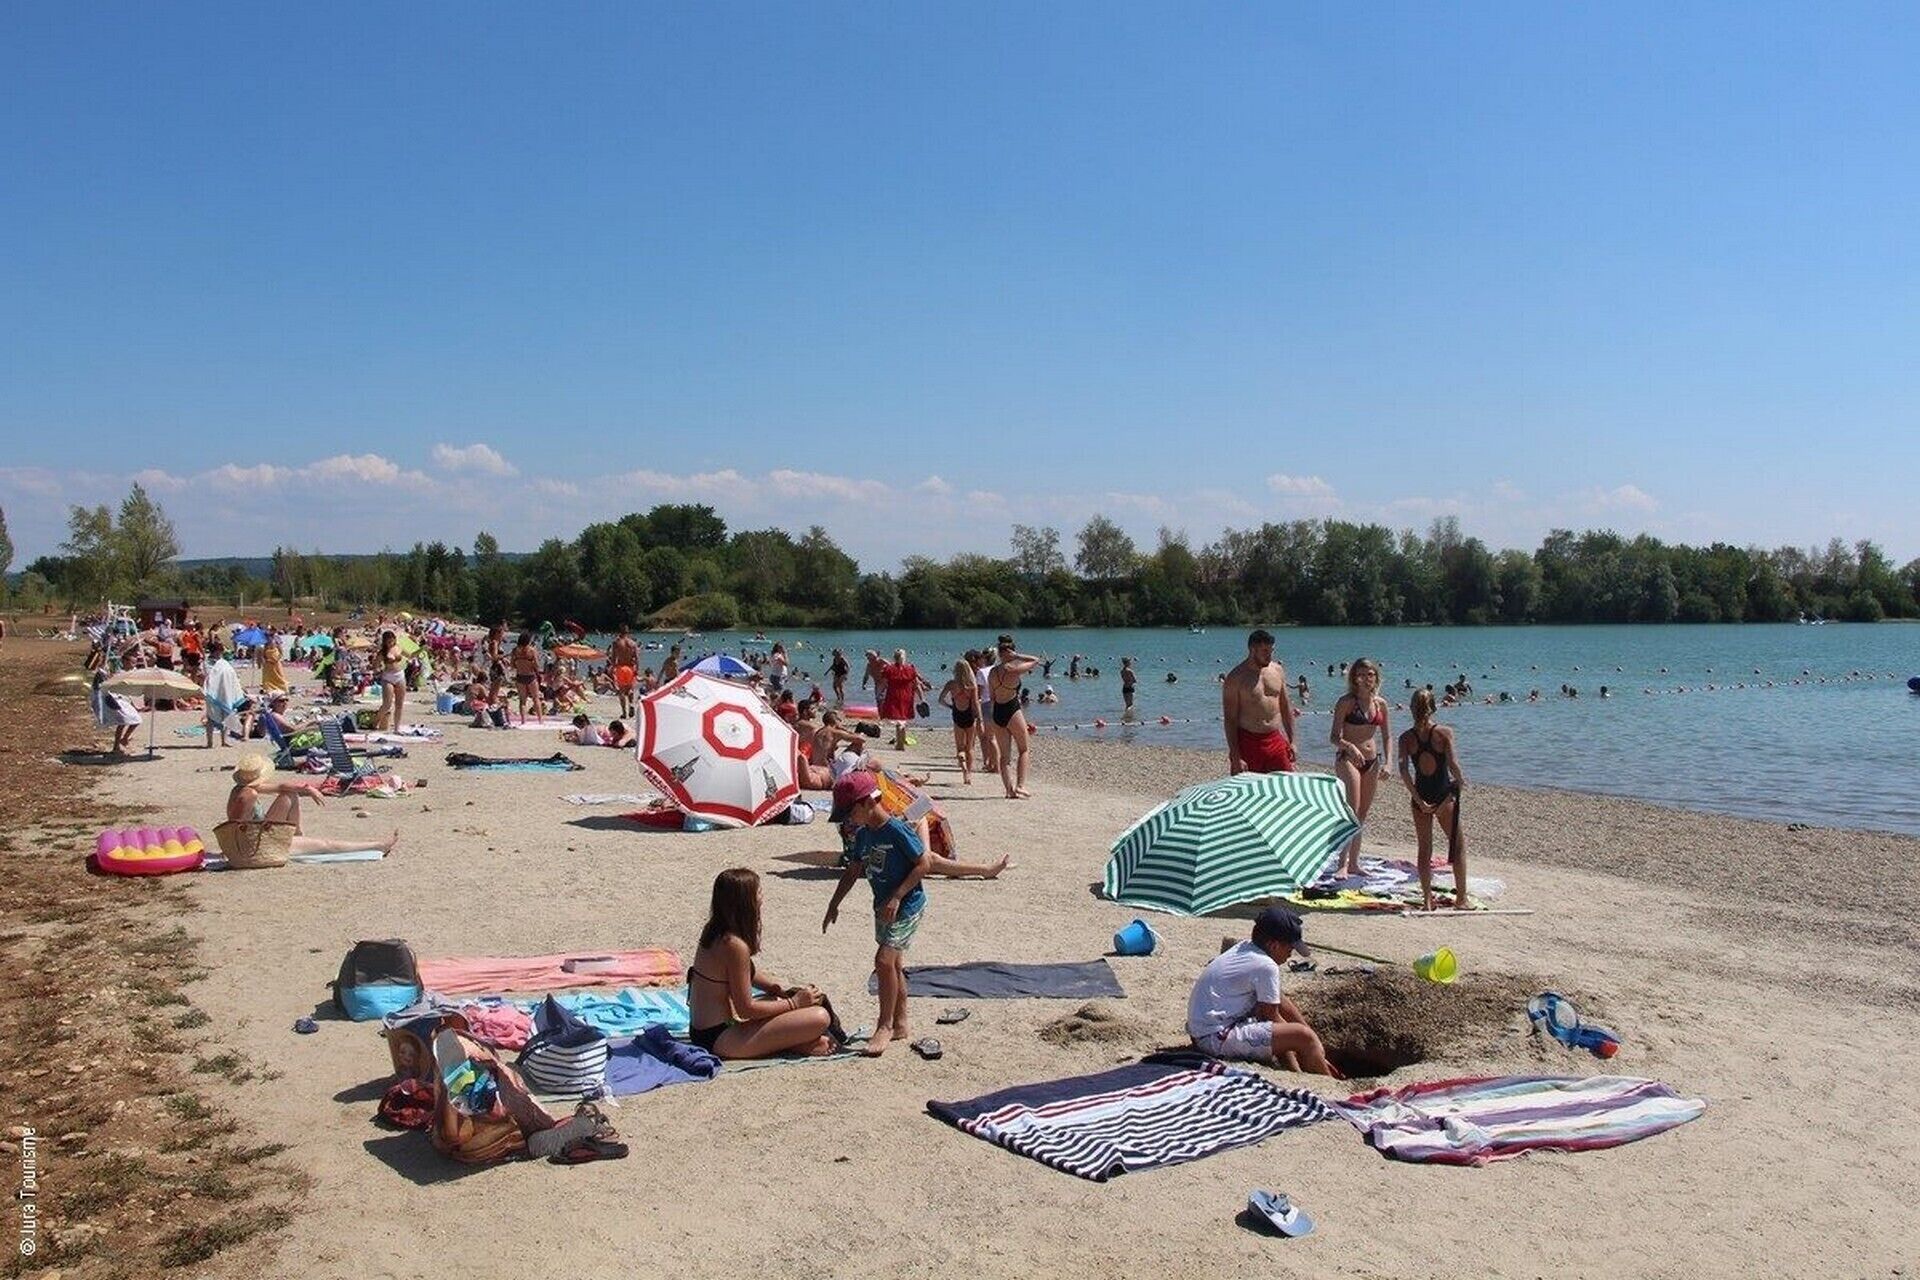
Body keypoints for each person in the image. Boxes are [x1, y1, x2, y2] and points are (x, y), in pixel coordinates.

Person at [823, 772, 929, 1057]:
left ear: (869, 802)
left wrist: (897, 895)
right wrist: (834, 903)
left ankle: (885, 1026)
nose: (848, 820)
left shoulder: (896, 830)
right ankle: (902, 1022)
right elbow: (853, 870)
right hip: (882, 906)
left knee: (883, 961)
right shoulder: (863, 835)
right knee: (893, 965)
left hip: (906, 905)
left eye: (851, 813)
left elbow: (923, 863)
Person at [688, 869, 835, 1058]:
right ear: (744, 901)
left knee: (775, 1001)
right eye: (758, 892)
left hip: (703, 1030)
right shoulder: (734, 945)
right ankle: (794, 1044)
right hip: (721, 1039)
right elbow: (746, 1009)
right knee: (820, 1017)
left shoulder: (715, 931)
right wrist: (794, 1003)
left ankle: (792, 1042)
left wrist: (779, 989)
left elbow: (746, 973)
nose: (762, 897)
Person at [1187, 906, 1335, 1076]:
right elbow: (1270, 1017)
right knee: (1304, 1037)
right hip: (1214, 1037)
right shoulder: (1266, 965)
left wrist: (1315, 1042)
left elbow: (1278, 1004)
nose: (1291, 954)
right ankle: (1326, 1079)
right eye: (1289, 948)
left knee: (1300, 1029)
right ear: (1273, 945)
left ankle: (1305, 1063)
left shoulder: (1245, 948)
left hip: (1203, 1031)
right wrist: (1306, 1044)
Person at [225, 754, 398, 856]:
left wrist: (308, 789)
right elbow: (238, 828)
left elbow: (282, 787)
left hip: (258, 840)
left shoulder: (242, 789)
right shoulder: (249, 795)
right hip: (258, 847)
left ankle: (298, 835)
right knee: (325, 845)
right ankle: (377, 846)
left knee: (289, 794)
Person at [1398, 689, 1469, 912]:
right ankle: (1461, 899)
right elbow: (1453, 765)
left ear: (1411, 709)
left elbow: (1404, 771)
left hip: (1421, 796)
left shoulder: (1406, 738)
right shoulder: (1444, 733)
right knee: (1457, 846)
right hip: (1443, 796)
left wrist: (1418, 799)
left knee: (1424, 849)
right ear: (1433, 707)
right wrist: (1460, 781)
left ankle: (1428, 900)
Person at [1330, 658, 1391, 877]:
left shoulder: (1380, 704)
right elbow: (1334, 737)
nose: (1366, 679)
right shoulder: (1346, 702)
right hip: (1348, 759)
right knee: (1352, 810)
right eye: (1361, 675)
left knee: (1362, 814)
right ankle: (1342, 863)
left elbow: (1387, 736)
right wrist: (1350, 747)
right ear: (1354, 678)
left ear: (1376, 677)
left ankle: (1354, 863)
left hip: (1372, 761)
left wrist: (1389, 762)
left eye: (1370, 675)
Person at [1222, 629, 1296, 774]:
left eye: (1272, 651)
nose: (1270, 656)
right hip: (1248, 741)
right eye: (1265, 651)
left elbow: (1286, 707)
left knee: (1286, 786)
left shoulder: (1277, 671)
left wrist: (1293, 741)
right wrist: (1235, 755)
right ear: (1252, 649)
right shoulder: (1236, 678)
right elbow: (1230, 719)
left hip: (1275, 739)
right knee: (1247, 792)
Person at [987, 635, 1040, 799]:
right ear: (1011, 652)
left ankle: (1009, 790)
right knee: (1024, 749)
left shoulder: (992, 672)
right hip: (1011, 708)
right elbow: (1035, 660)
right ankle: (1020, 786)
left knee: (1004, 756)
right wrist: (1017, 656)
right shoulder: (1014, 669)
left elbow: (992, 696)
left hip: (997, 712)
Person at [935, 658, 979, 785]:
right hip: (970, 716)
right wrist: (979, 718)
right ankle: (969, 774)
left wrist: (950, 706)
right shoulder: (972, 686)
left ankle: (963, 766)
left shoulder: (951, 684)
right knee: (969, 747)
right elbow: (975, 704)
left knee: (960, 747)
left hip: (957, 714)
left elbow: (940, 700)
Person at [879, 648, 927, 750]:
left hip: (893, 695)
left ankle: (900, 744)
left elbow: (883, 683)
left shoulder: (889, 669)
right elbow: (916, 685)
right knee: (903, 718)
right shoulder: (910, 669)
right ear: (904, 657)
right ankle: (901, 742)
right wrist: (922, 698)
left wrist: (879, 694)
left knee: (898, 720)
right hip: (907, 696)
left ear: (894, 657)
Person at [202, 641, 248, 748]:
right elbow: (209, 676)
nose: (220, 653)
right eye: (219, 651)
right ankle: (210, 742)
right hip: (213, 693)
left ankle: (224, 741)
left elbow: (231, 676)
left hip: (226, 692)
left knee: (227, 715)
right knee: (211, 717)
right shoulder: (207, 663)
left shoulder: (224, 662)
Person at [89, 671, 141, 755]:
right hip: (111, 703)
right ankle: (117, 745)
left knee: (134, 720)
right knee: (123, 722)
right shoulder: (101, 686)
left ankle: (123, 740)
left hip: (117, 702)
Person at [376, 630, 406, 732]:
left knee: (399, 704)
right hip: (388, 676)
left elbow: (410, 655)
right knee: (387, 704)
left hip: (399, 675)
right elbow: (375, 664)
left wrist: (421, 650)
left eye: (392, 641)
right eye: (388, 642)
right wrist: (378, 669)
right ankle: (376, 720)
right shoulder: (382, 652)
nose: (390, 643)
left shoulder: (398, 648)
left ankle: (397, 728)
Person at [609, 625, 640, 719]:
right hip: (630, 668)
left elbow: (614, 658)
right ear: (628, 632)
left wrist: (612, 669)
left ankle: (624, 713)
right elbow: (637, 658)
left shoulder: (616, 642)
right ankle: (631, 704)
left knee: (621, 691)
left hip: (621, 667)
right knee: (630, 689)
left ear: (619, 632)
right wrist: (637, 670)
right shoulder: (633, 643)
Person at [510, 631, 541, 724]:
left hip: (520, 675)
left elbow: (512, 665)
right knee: (536, 698)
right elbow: (537, 665)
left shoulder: (515, 651)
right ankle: (540, 720)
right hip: (530, 676)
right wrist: (530, 665)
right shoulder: (532, 650)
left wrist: (520, 665)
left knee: (522, 700)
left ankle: (523, 720)